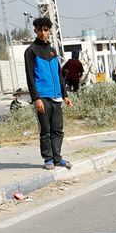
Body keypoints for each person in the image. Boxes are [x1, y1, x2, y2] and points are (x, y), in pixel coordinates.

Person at [24, 17, 73, 171]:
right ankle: (48, 159)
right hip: (42, 97)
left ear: (50, 31)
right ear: (36, 31)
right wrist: (36, 98)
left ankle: (57, 158)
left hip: (56, 96)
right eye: (40, 30)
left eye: (46, 30)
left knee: (58, 129)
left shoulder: (52, 51)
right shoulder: (31, 51)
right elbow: (30, 77)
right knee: (45, 130)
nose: (43, 33)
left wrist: (65, 95)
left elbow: (59, 75)